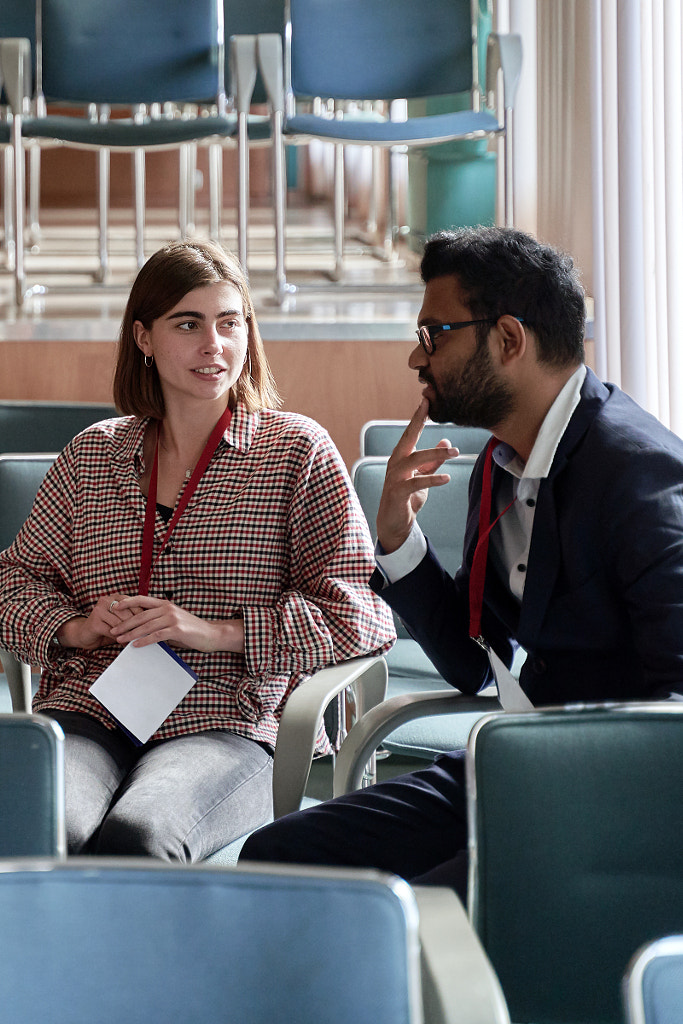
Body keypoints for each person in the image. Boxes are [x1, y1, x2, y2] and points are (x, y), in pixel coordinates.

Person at [239, 225, 683, 895]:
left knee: (414, 912)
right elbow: (474, 663)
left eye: (433, 335)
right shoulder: (501, 463)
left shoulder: (638, 475)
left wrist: (552, 796)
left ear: (507, 339)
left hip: (604, 798)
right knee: (278, 860)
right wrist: (396, 537)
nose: (417, 361)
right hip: (511, 766)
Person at [0, 239, 395, 860]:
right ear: (144, 338)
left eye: (229, 322)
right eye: (189, 324)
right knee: (41, 827)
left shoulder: (297, 451)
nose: (215, 345)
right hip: (93, 704)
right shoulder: (92, 455)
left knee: (139, 836)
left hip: (228, 717)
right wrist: (75, 628)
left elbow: (360, 615)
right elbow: (14, 583)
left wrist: (215, 632)